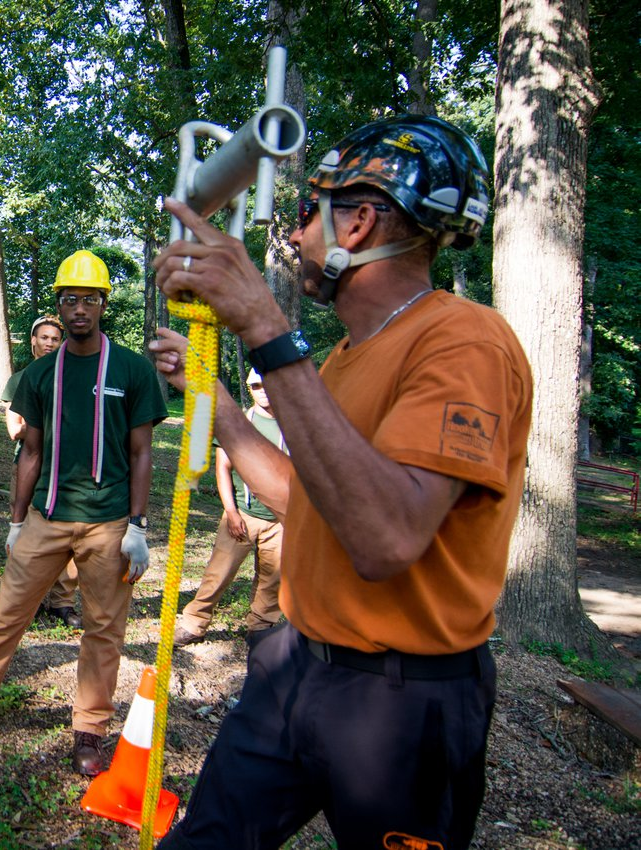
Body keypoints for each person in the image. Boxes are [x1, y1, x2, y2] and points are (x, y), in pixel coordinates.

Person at [149, 115, 532, 849]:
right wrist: (218, 404)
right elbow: (304, 500)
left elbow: (384, 539)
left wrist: (264, 325)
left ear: (357, 222)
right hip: (298, 666)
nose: (295, 238)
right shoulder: (346, 358)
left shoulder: (466, 341)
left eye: (306, 215)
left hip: (402, 702)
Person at [0, 250, 167, 777]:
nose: (79, 309)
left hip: (109, 522)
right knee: (6, 612)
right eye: (70, 299)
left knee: (103, 628)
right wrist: (14, 519)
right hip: (47, 517)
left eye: (89, 300)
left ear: (102, 305)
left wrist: (138, 526)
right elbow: (31, 452)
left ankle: (89, 730)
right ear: (59, 304)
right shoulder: (40, 373)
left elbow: (142, 452)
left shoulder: (132, 369)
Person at [174, 367, 286, 647]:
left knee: (272, 578)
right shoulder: (241, 422)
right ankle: (194, 622)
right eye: (257, 386)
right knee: (219, 572)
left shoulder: (293, 423)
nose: (263, 391)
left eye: (268, 384)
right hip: (243, 515)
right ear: (250, 388)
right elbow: (222, 468)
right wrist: (232, 512)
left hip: (282, 519)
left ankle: (261, 626)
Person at [1, 315, 82, 629]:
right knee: (24, 533)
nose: (49, 343)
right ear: (33, 341)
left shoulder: (72, 376)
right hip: (29, 466)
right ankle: (26, 599)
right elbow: (15, 429)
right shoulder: (21, 378)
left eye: (54, 338)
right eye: (43, 337)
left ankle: (62, 602)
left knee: (71, 536)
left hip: (68, 469)